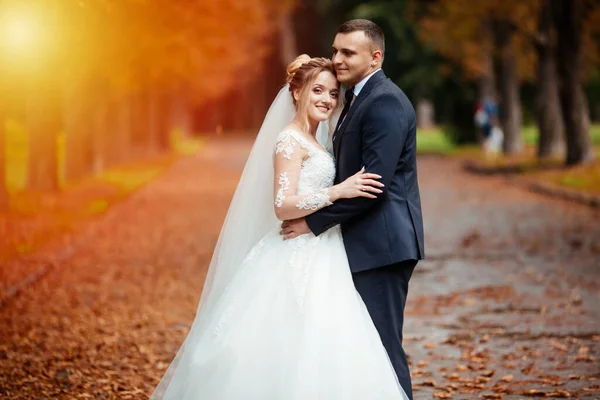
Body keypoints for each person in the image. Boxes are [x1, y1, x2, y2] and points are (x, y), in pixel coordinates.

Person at [150, 54, 409, 399]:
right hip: (294, 253)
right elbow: (282, 205)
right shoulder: (290, 140)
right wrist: (337, 191)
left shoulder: (318, 140)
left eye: (333, 93)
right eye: (318, 90)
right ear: (297, 92)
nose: (327, 100)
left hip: (326, 252)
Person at [280, 19, 425, 399]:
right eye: (335, 50)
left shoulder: (385, 102)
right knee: (361, 350)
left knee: (381, 348)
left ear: (375, 56)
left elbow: (371, 188)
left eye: (348, 52)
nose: (338, 59)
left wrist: (312, 222)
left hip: (382, 245)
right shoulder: (357, 99)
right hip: (362, 244)